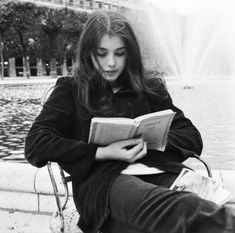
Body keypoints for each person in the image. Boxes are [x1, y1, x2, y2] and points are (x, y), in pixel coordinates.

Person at [25, 10, 235, 233]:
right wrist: (102, 152)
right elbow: (36, 143)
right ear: (89, 54)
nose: (111, 63)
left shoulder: (150, 88)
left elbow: (191, 136)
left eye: (120, 53)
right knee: (181, 207)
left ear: (130, 53)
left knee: (185, 205)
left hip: (158, 172)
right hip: (104, 184)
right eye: (102, 54)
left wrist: (151, 142)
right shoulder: (71, 89)